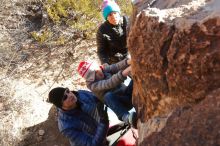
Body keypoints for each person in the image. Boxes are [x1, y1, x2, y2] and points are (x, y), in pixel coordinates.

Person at [77, 58, 137, 128]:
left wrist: (129, 61)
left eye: (97, 70)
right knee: (108, 96)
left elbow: (116, 66)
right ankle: (126, 117)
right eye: (94, 76)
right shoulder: (93, 85)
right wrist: (126, 71)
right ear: (91, 79)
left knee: (135, 79)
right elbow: (109, 83)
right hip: (122, 105)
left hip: (128, 94)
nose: (98, 74)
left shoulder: (104, 69)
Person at [97, 0, 129, 64]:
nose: (113, 17)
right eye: (110, 15)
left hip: (131, 55)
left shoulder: (127, 21)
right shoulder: (102, 30)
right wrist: (104, 63)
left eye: (115, 13)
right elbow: (101, 51)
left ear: (119, 13)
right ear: (106, 18)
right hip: (116, 62)